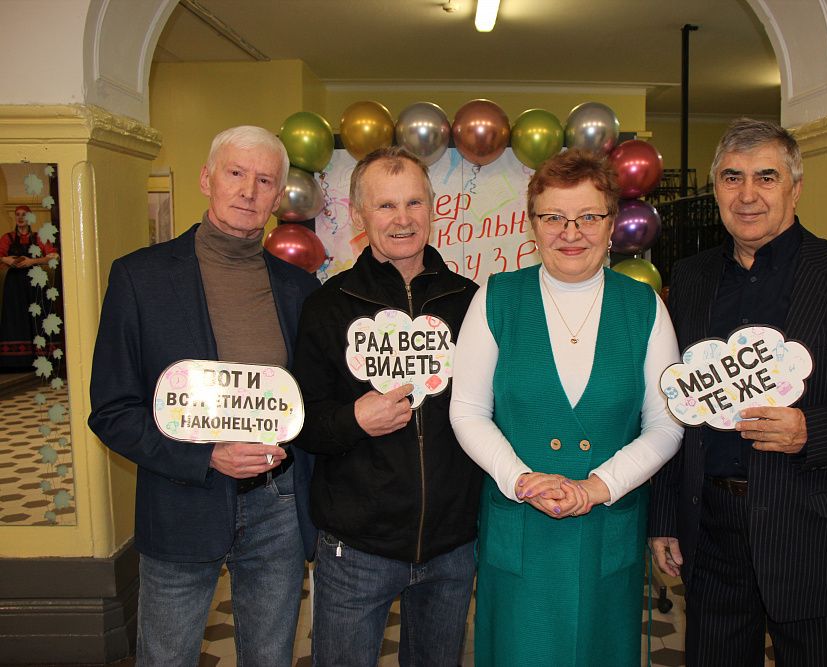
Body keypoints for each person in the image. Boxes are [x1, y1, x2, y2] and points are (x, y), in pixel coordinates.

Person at [648, 118, 827, 666]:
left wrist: (813, 431)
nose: (747, 194)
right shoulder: (691, 277)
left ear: (795, 188)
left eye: (766, 177)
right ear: (716, 189)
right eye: (732, 177)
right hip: (711, 529)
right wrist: (665, 516)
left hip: (812, 528)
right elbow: (675, 404)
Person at [88, 126, 319, 666]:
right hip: (181, 498)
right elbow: (113, 410)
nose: (248, 191)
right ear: (206, 179)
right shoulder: (139, 278)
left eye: (265, 180)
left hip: (278, 505)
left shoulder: (299, 289)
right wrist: (206, 456)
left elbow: (310, 402)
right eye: (235, 173)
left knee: (270, 656)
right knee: (166, 656)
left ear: (278, 198)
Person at [450, 148, 684, 665]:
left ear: (612, 223)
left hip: (607, 528)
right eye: (553, 217)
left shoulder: (645, 307)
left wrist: (600, 486)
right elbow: (466, 411)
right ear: (532, 224)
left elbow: (666, 424)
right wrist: (519, 479)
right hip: (521, 528)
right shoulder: (495, 298)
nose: (570, 232)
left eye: (588, 217)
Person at [292, 146, 482, 667]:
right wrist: (353, 419)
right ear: (359, 216)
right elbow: (300, 420)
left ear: (432, 208)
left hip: (450, 546)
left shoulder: (470, 301)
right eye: (386, 205)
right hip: (357, 549)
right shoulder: (328, 305)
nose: (403, 219)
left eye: (414, 203)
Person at [0, 205, 59, 369]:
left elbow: (53, 256)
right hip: (14, 287)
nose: (20, 218)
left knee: (38, 318)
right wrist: (7, 260)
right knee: (16, 318)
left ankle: (43, 358)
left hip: (36, 284)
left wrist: (32, 261)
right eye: (17, 215)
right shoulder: (8, 238)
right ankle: (17, 361)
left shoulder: (39, 237)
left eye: (24, 215)